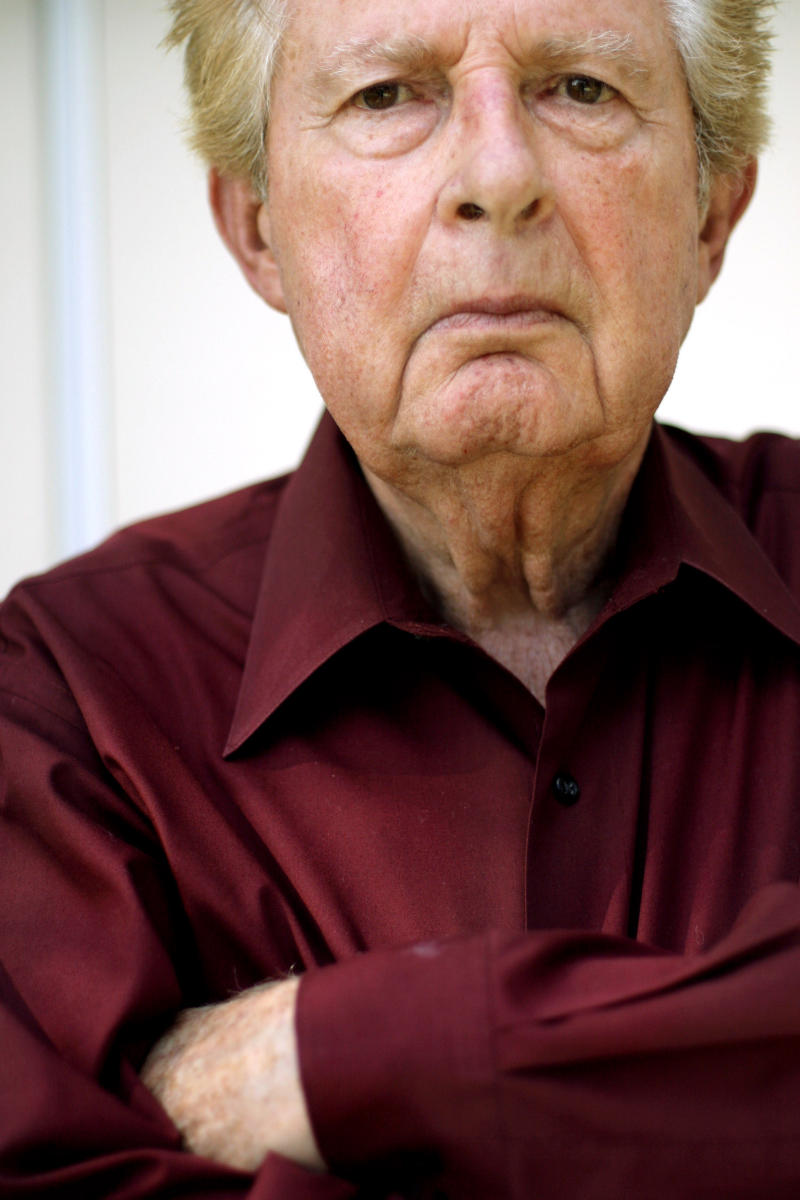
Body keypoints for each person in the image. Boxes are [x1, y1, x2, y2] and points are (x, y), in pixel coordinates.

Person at [2, 0, 798, 1195]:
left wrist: (345, 1056)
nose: (494, 177)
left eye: (579, 87)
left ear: (711, 210)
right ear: (257, 228)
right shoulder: (67, 699)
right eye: (387, 96)